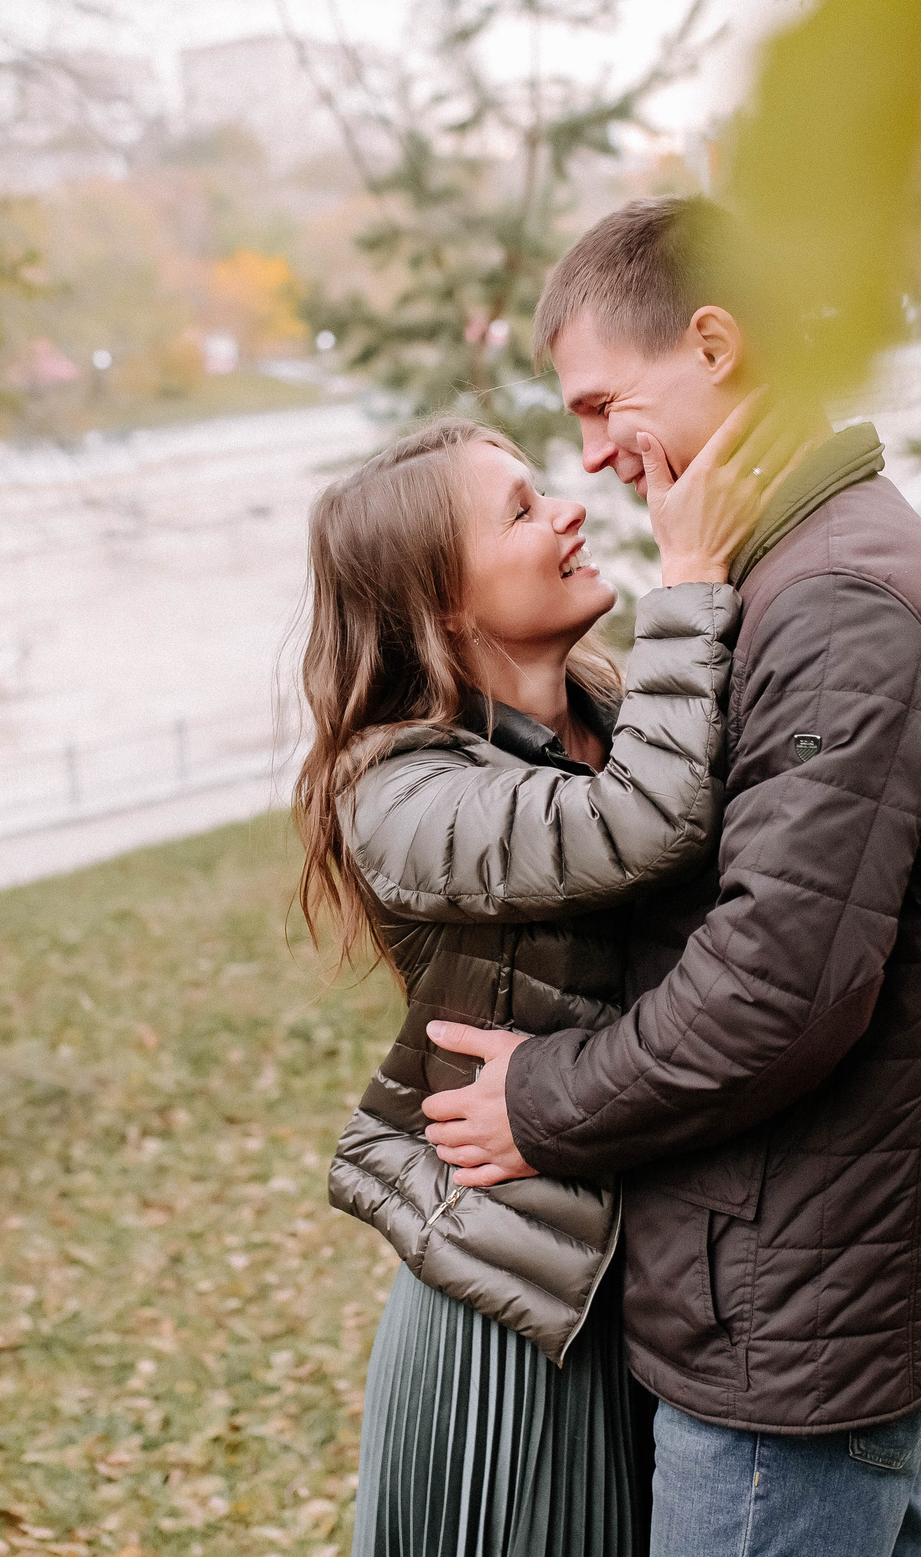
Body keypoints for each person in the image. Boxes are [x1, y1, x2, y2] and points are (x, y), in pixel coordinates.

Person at [417, 196, 921, 1557]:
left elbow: (779, 986)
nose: (590, 455)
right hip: (798, 1279)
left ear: (716, 343)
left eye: (600, 404)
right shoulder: (797, 571)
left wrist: (544, 1103)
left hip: (784, 1327)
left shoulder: (836, 600)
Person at [295, 408, 790, 1556]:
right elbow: (638, 827)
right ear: (446, 606)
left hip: (645, 1289)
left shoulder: (622, 718)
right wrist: (694, 573)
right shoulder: (401, 799)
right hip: (508, 1317)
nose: (569, 507)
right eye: (519, 509)